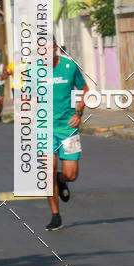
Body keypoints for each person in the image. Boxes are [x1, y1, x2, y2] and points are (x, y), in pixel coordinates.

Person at [46, 37, 88, 232]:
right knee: (48, 170)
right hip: (43, 128)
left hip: (68, 128)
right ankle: (56, 215)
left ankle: (61, 180)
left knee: (71, 174)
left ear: (55, 47)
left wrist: (79, 112)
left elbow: (84, 89)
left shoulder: (70, 67)